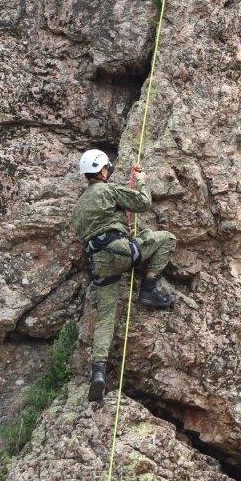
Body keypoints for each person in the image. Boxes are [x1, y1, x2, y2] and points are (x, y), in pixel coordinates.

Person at [71, 149, 177, 402]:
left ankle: (98, 370)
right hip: (120, 251)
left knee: (106, 316)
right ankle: (149, 289)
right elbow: (142, 202)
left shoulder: (78, 207)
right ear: (103, 170)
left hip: (98, 263)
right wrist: (140, 180)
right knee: (166, 239)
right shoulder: (107, 190)